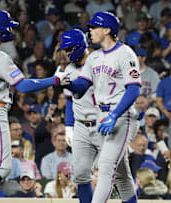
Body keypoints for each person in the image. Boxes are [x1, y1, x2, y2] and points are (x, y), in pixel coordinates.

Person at [0, 10, 67, 203]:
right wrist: (54, 80)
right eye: (8, 26)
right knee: (1, 167)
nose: (11, 30)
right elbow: (23, 85)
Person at [61, 11, 141, 203]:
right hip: (102, 116)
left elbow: (134, 90)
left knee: (105, 167)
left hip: (122, 116)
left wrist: (114, 115)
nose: (90, 31)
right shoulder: (94, 57)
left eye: (94, 27)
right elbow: (82, 85)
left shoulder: (125, 53)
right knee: (121, 173)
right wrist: (68, 84)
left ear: (107, 30)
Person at [56, 28, 102, 203]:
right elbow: (69, 101)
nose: (67, 53)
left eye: (69, 49)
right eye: (65, 50)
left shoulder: (99, 61)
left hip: (102, 123)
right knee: (82, 175)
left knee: (115, 173)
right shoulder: (69, 68)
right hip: (82, 125)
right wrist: (69, 127)